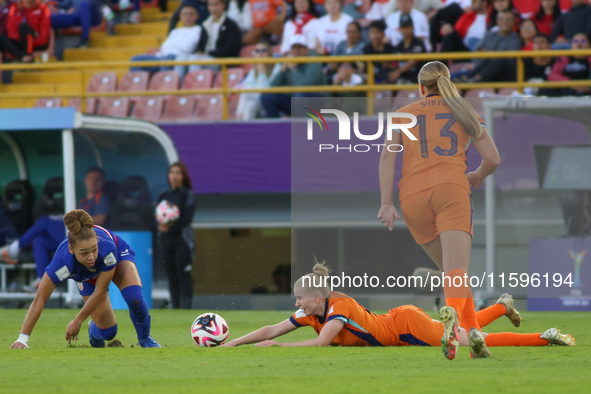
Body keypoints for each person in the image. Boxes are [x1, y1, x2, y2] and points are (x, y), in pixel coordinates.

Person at [377, 61, 502, 359]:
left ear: (420, 87)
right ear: (448, 81)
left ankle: (475, 337)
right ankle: (453, 321)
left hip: (411, 197)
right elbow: (493, 159)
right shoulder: (464, 111)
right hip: (451, 189)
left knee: (452, 272)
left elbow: (386, 159)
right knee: (457, 271)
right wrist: (479, 175)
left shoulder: (403, 114)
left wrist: (386, 203)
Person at [222, 262, 575, 349]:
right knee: (470, 331)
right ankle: (501, 306)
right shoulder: (312, 311)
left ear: (317, 297)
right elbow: (271, 328)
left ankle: (543, 337)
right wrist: (235, 343)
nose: (296, 303)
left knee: (470, 341)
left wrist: (278, 346)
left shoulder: (338, 305)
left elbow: (320, 343)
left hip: (407, 329)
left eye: (300, 298)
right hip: (399, 319)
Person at [9, 209, 161, 348]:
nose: (91, 257)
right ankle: (93, 331)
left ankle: (144, 339)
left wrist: (77, 321)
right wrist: (23, 339)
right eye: (84, 253)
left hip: (117, 255)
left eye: (94, 249)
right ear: (71, 249)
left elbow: (101, 290)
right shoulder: (61, 264)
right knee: (108, 332)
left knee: (134, 297)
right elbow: (39, 299)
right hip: (85, 276)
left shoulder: (107, 249)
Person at [0, 167, 111, 291]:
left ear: (103, 182)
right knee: (39, 240)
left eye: (97, 179)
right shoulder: (84, 201)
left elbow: (100, 219)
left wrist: (77, 220)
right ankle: (41, 280)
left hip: (86, 239)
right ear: (85, 181)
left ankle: (14, 248)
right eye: (91, 179)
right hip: (72, 237)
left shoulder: (101, 198)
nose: (93, 182)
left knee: (45, 221)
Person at [156, 162, 197, 310]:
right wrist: (161, 226)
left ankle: (186, 308)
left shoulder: (188, 194)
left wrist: (170, 227)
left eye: (178, 173)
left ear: (183, 176)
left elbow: (187, 219)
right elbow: (157, 216)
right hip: (166, 241)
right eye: (172, 172)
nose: (174, 176)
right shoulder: (163, 195)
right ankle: (175, 306)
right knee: (171, 275)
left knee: (183, 274)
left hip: (182, 241)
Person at [259, 34, 326, 117]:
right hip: (297, 100)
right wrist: (282, 69)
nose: (297, 50)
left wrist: (294, 69)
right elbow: (273, 86)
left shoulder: (314, 61)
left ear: (306, 50)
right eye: (294, 48)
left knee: (300, 96)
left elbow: (304, 88)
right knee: (267, 96)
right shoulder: (290, 62)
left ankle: (302, 128)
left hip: (317, 101)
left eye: (300, 47)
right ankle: (274, 128)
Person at [130, 5, 207, 75]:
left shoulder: (199, 30)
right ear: (181, 16)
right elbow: (165, 47)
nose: (188, 17)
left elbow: (187, 48)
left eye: (191, 14)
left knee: (167, 59)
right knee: (135, 60)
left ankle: (165, 88)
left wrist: (172, 46)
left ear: (197, 16)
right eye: (185, 14)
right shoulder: (175, 31)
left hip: (178, 58)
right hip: (163, 57)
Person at [178, 0, 242, 77]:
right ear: (208, 6)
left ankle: (195, 87)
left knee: (194, 60)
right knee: (181, 58)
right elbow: (201, 46)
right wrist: (200, 52)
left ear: (223, 5)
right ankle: (179, 86)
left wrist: (210, 53)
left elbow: (230, 48)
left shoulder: (231, 25)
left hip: (221, 61)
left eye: (216, 4)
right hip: (206, 58)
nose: (214, 8)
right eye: (211, 5)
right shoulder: (205, 24)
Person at [460, 10, 522, 82]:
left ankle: (476, 78)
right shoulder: (489, 35)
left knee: (498, 59)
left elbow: (509, 59)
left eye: (508, 20)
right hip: (481, 68)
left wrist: (488, 54)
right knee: (453, 77)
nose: (504, 22)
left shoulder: (515, 39)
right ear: (497, 21)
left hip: (503, 74)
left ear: (513, 22)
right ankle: (468, 78)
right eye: (501, 19)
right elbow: (476, 53)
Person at [235, 41, 278, 120]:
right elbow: (249, 87)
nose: (260, 54)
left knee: (245, 95)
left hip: (269, 101)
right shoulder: (253, 70)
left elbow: (266, 91)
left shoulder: (276, 68)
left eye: (264, 51)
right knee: (249, 105)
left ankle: (238, 119)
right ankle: (245, 129)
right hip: (255, 101)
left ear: (269, 53)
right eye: (257, 51)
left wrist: (262, 74)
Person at [548, 32, 591, 96]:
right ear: (571, 46)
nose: (579, 44)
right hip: (567, 92)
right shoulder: (563, 59)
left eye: (583, 41)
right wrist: (570, 83)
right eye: (576, 41)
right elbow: (552, 76)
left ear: (589, 45)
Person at [392, 14, 427, 84]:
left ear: (412, 28)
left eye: (407, 27)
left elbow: (414, 60)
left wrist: (398, 72)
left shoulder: (418, 43)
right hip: (403, 76)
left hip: (418, 76)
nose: (405, 30)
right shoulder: (399, 46)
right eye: (403, 28)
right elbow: (395, 63)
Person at [362, 20, 397, 84]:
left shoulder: (390, 49)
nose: (375, 35)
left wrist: (388, 66)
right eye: (372, 32)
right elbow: (362, 70)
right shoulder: (365, 50)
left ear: (383, 34)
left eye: (377, 32)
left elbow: (396, 66)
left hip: (388, 80)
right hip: (371, 81)